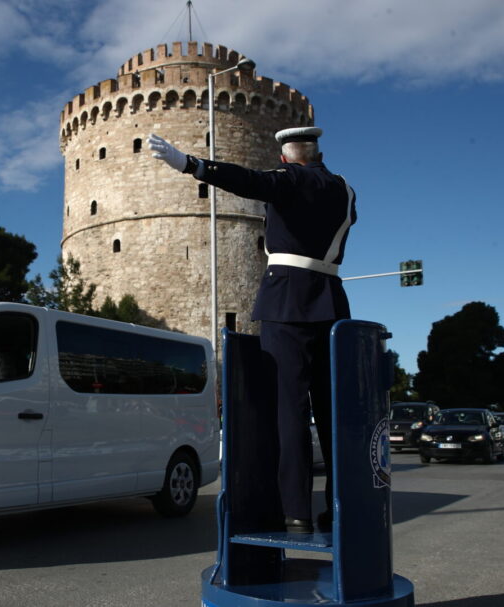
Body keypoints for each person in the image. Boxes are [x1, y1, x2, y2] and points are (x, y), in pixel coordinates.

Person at [148, 127, 356, 533]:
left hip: (286, 302)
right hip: (332, 301)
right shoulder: (345, 189)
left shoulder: (287, 180)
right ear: (318, 153)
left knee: (290, 411)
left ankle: (295, 509)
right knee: (332, 411)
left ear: (284, 158)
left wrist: (192, 165)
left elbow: (250, 181)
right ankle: (338, 506)